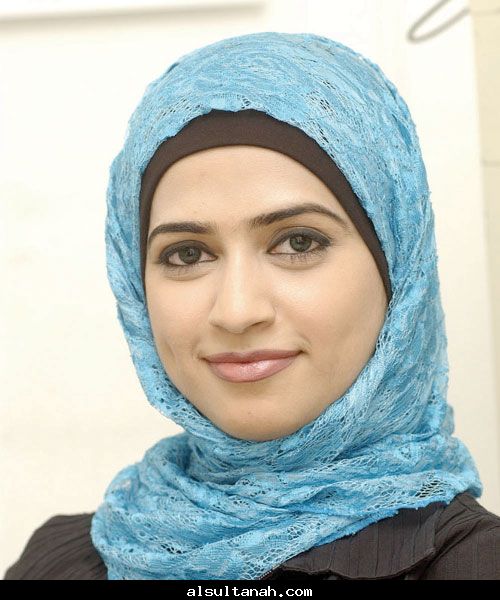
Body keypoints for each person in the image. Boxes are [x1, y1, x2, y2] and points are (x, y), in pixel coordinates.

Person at [4, 31, 500, 581]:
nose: (237, 311)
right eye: (187, 253)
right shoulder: (60, 562)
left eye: (298, 242)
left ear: (399, 270)